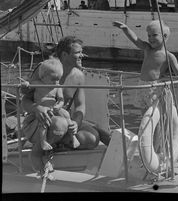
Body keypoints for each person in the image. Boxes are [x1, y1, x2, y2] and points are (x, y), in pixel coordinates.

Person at [21, 35, 111, 175]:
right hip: (40, 121)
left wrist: (76, 122)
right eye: (77, 52)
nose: (82, 55)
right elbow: (25, 101)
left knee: (92, 139)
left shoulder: (79, 76)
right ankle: (38, 152)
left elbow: (80, 106)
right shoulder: (45, 68)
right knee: (60, 125)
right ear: (64, 54)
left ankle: (56, 144)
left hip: (65, 119)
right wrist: (37, 108)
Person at [113, 19, 178, 113]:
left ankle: (157, 128)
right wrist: (126, 29)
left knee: (153, 113)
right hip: (142, 85)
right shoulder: (147, 48)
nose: (150, 38)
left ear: (164, 36)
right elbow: (135, 40)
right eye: (149, 36)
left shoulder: (169, 56)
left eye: (154, 35)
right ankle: (144, 128)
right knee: (143, 113)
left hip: (154, 89)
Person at [21, 58, 80, 152]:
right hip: (43, 110)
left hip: (54, 108)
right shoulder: (38, 84)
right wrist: (26, 84)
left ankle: (72, 136)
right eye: (53, 79)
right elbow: (26, 91)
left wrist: (59, 105)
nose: (56, 82)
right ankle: (43, 140)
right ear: (43, 77)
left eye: (58, 79)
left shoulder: (57, 87)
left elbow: (61, 100)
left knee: (66, 114)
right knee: (44, 121)